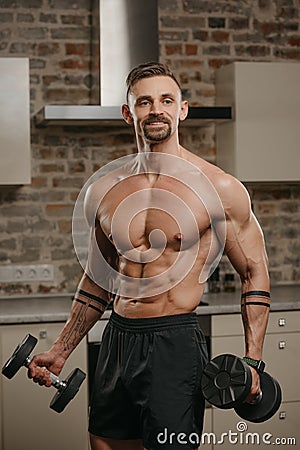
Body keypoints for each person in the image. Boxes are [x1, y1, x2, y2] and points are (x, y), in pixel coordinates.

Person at [28, 62, 270, 450]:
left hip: (174, 340)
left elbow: (254, 273)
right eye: (144, 101)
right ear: (129, 113)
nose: (156, 108)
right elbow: (97, 281)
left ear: (182, 109)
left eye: (166, 100)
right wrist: (60, 350)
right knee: (104, 442)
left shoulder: (219, 188)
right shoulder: (104, 190)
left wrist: (253, 360)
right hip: (118, 338)